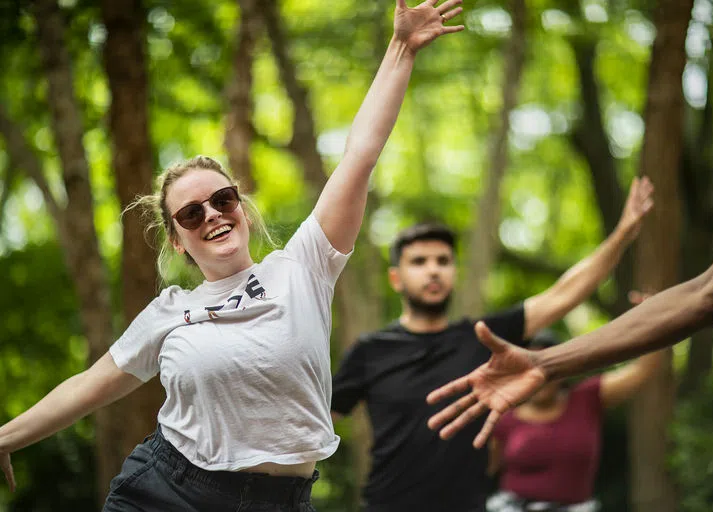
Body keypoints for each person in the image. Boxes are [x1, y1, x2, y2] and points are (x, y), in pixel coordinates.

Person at [0, 2, 464, 510]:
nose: (213, 215)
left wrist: (400, 49)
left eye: (222, 200)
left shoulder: (304, 265)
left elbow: (360, 153)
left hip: (281, 500)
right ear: (178, 240)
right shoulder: (169, 311)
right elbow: (91, 386)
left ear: (240, 207)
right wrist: (5, 439)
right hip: (167, 491)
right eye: (192, 213)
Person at [330, 177, 655, 511]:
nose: (433, 271)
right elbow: (318, 418)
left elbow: (563, 294)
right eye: (419, 262)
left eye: (443, 261)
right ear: (396, 278)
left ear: (454, 271)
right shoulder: (370, 351)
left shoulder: (486, 338)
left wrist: (623, 234)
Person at [425, 209, 713, 512]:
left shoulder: (585, 399)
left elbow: (651, 362)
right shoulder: (507, 417)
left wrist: (661, 329)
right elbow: (712, 293)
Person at [486, 319, 663, 512]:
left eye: (546, 368)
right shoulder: (505, 419)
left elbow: (642, 370)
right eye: (529, 369)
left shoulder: (586, 399)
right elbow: (482, 470)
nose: (538, 378)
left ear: (562, 372)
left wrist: (654, 322)